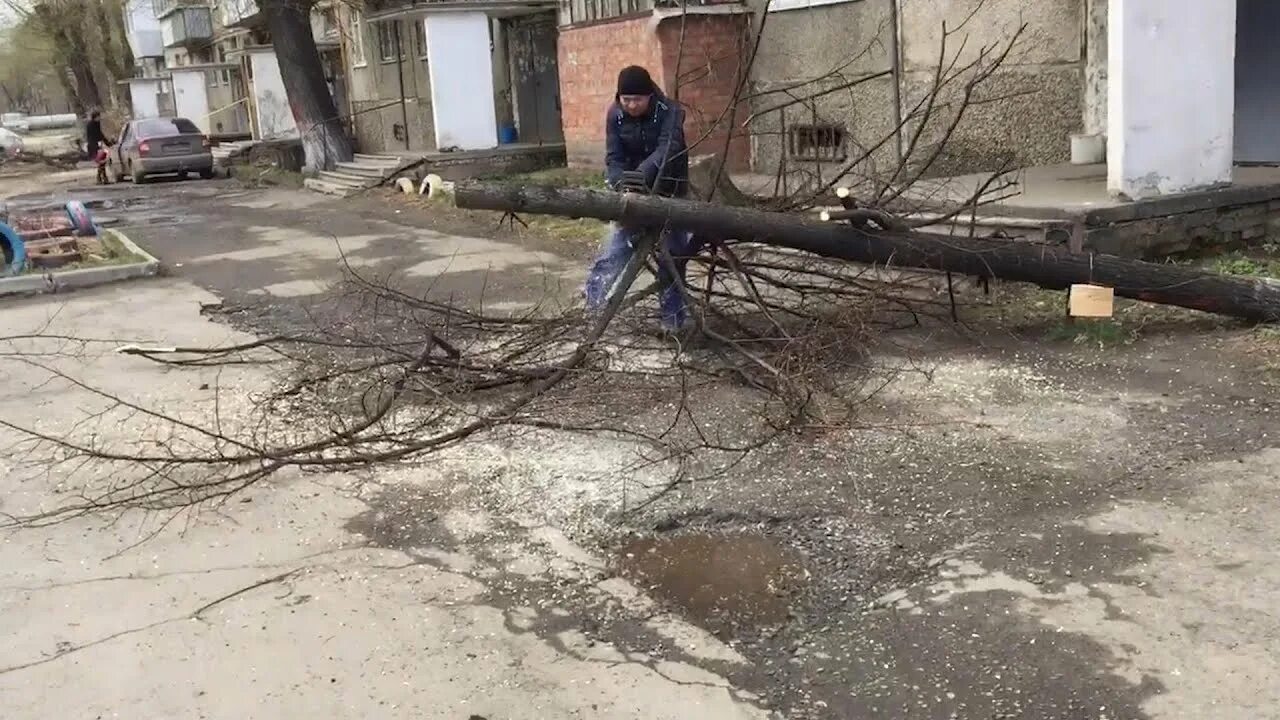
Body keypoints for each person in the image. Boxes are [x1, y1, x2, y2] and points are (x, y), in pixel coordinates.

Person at [584, 65, 700, 333]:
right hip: (632, 194)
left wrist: (640, 175)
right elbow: (614, 156)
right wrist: (618, 181)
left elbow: (667, 149)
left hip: (670, 192)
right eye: (626, 100)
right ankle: (590, 307)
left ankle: (672, 321)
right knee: (617, 250)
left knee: (672, 257)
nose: (631, 105)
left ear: (649, 96)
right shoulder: (615, 115)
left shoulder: (669, 112)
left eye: (637, 99)